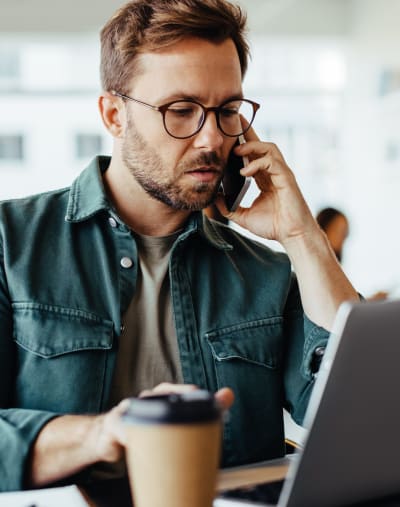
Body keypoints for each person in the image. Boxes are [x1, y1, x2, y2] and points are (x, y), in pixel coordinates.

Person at [0, 0, 359, 492]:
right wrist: (103, 434)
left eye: (228, 110)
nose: (212, 139)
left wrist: (303, 238)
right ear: (113, 114)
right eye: (182, 110)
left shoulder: (266, 273)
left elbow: (366, 416)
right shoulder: (10, 242)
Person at [316, 207, 388, 300]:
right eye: (340, 231)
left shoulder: (333, 266)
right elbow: (337, 306)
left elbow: (344, 303)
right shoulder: (317, 268)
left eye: (346, 233)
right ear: (324, 228)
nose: (343, 237)